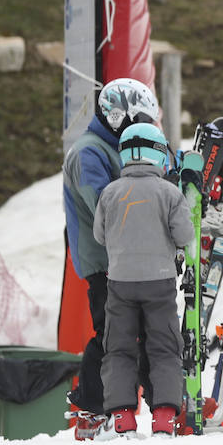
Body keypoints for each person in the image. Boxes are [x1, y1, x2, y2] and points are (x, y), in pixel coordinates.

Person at [62, 77, 162, 425]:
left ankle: (167, 402)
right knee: (112, 334)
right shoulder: (88, 152)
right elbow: (106, 206)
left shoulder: (120, 147)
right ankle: (91, 406)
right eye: (139, 124)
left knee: (149, 330)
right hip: (104, 260)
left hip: (128, 258)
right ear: (119, 117)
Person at [92, 122, 193, 438]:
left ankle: (122, 418)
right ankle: (163, 417)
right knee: (164, 346)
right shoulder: (169, 192)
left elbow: (99, 235)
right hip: (159, 282)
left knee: (119, 348)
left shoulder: (110, 192)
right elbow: (185, 235)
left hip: (120, 282)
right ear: (159, 154)